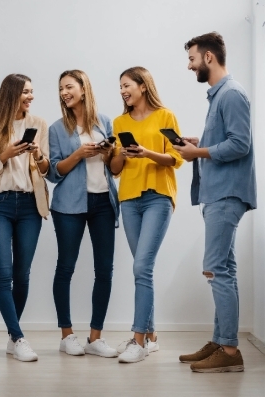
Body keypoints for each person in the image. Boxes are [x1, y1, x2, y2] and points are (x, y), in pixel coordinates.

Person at [175, 32, 256, 373]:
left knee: (216, 270)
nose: (189, 65)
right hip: (218, 194)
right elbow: (226, 140)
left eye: (192, 58)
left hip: (226, 194)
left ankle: (229, 350)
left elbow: (241, 144)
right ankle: (222, 340)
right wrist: (200, 142)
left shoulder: (232, 94)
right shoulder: (220, 96)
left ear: (209, 57)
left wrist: (199, 151)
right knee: (225, 270)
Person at [109, 66, 183, 364]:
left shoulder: (165, 116)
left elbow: (176, 158)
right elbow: (114, 170)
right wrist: (122, 155)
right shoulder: (119, 122)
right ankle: (150, 337)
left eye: (127, 85)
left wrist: (147, 153)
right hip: (129, 199)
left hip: (158, 197)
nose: (123, 91)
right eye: (120, 87)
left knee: (141, 267)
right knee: (144, 270)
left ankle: (138, 340)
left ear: (142, 86)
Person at [0, 73, 49, 362]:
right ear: (11, 95)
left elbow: (45, 169)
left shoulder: (39, 125)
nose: (30, 97)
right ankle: (19, 337)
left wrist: (39, 154)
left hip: (31, 204)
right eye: (25, 92)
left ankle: (12, 335)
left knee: (22, 275)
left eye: (32, 92)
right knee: (3, 273)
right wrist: (4, 156)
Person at [46, 70, 119, 358]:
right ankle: (66, 335)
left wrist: (107, 152)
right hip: (68, 206)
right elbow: (54, 172)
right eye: (61, 88)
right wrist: (79, 154)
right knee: (66, 267)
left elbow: (115, 168)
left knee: (104, 270)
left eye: (69, 87)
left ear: (83, 89)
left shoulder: (105, 122)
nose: (64, 92)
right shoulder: (55, 128)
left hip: (103, 202)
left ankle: (95, 337)